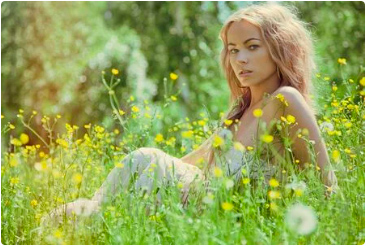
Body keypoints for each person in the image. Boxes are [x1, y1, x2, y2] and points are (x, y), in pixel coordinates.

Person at [42, 2, 338, 225]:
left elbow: (328, 185)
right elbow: (196, 159)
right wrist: (151, 174)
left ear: (280, 48)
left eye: (252, 47)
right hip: (192, 205)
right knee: (89, 208)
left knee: (86, 217)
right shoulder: (241, 109)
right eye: (233, 50)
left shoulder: (285, 100)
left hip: (219, 218)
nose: (240, 59)